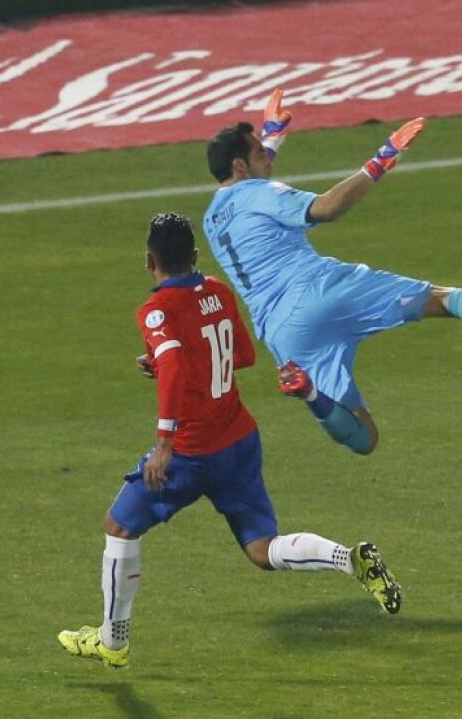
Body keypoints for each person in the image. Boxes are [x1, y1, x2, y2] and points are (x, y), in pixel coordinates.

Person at [57, 213, 402, 669]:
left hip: (191, 452)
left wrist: (164, 442)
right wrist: (168, 360)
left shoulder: (156, 311)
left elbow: (179, 367)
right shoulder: (217, 291)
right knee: (262, 548)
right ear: (195, 257)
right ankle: (348, 558)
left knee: (119, 527)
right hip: (238, 440)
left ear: (149, 261)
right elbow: (241, 355)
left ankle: (112, 641)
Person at [202, 90, 462, 456]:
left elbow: (253, 175)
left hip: (284, 333)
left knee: (363, 438)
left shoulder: (212, 218)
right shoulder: (261, 193)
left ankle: (309, 394)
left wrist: (272, 134)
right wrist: (380, 162)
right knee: (444, 299)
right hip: (321, 290)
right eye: (259, 151)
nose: (266, 155)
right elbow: (324, 208)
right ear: (239, 164)